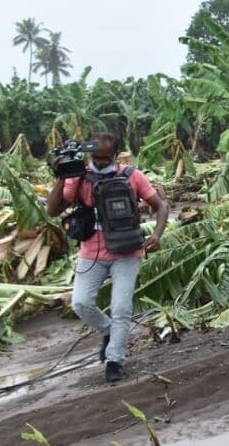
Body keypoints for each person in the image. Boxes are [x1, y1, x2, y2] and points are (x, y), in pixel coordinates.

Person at [45, 133, 168, 382]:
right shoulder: (79, 177)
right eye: (95, 158)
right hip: (90, 251)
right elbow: (52, 209)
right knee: (81, 303)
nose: (99, 163)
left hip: (127, 251)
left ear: (115, 155)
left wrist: (156, 235)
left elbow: (161, 205)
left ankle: (115, 361)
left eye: (105, 158)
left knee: (122, 309)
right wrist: (62, 176)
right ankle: (108, 331)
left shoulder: (132, 175)